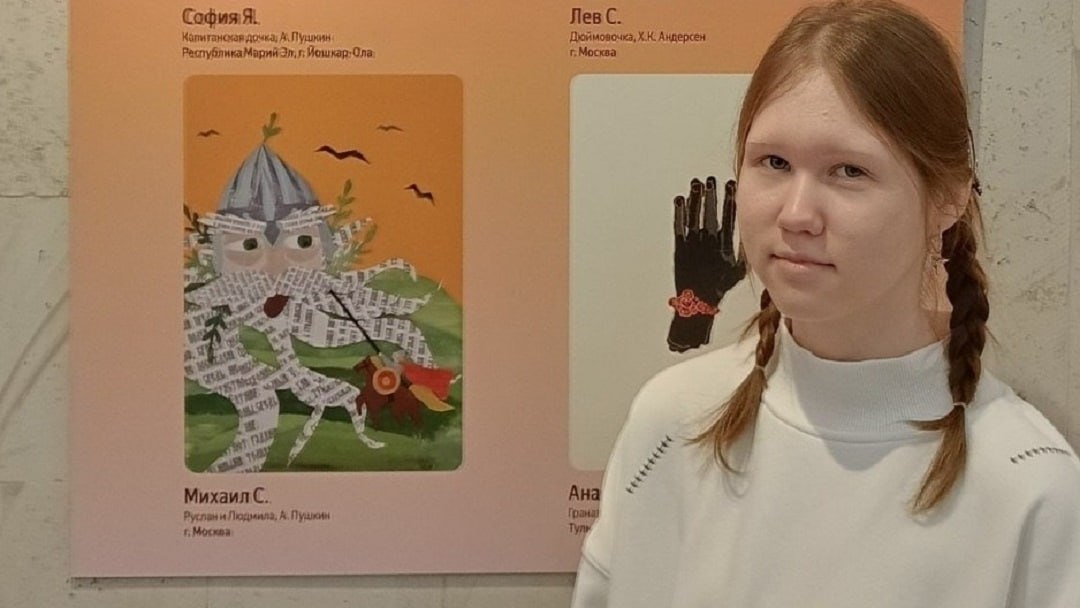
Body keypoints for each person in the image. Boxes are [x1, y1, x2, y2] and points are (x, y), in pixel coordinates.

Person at [571, 1, 1080, 606]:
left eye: (848, 171)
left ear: (947, 197)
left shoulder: (1028, 484)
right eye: (774, 163)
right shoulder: (671, 421)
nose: (796, 214)